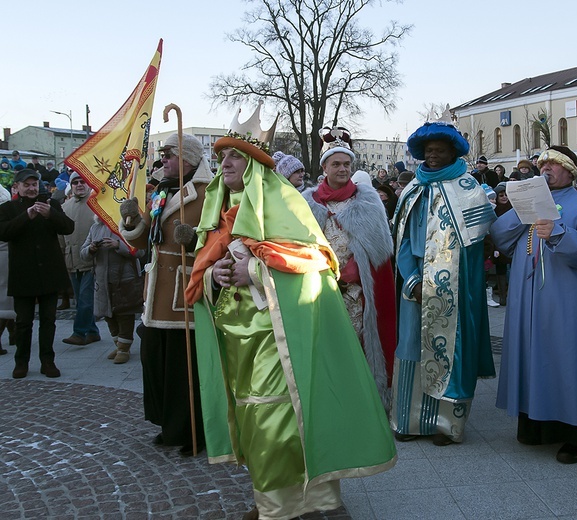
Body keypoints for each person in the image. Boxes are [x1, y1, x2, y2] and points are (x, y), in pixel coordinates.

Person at [185, 115, 397, 519]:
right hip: (237, 335)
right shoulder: (222, 207)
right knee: (252, 416)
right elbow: (205, 265)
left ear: (255, 165)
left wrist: (257, 272)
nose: (225, 163)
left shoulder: (285, 204)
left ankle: (312, 503)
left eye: (234, 156)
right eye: (222, 156)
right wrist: (215, 273)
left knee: (281, 414)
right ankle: (272, 501)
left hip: (281, 334)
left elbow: (315, 262)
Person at [492, 145, 577, 464]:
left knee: (568, 358)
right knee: (531, 357)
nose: (545, 169)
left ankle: (576, 436)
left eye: (553, 165)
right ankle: (534, 427)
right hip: (527, 296)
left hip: (567, 297)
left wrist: (557, 230)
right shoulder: (528, 201)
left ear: (570, 171)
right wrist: (522, 212)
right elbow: (500, 239)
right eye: (541, 164)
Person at [391, 121, 496, 446]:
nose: (433, 156)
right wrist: (412, 279)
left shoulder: (469, 188)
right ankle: (409, 420)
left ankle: (446, 424)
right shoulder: (412, 189)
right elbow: (403, 240)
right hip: (417, 278)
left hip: (455, 280)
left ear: (453, 152)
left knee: (451, 348)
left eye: (439, 151)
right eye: (428, 151)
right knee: (410, 347)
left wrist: (452, 284)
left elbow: (476, 249)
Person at [119, 133, 213, 456]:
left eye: (169, 154)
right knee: (154, 361)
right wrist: (130, 217)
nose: (164, 160)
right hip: (156, 290)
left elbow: (218, 239)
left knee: (182, 368)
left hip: (183, 291)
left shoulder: (207, 193)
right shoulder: (160, 192)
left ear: (187, 159)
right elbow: (142, 237)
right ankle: (166, 424)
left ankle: (191, 433)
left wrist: (195, 241)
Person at [303, 127, 397, 407]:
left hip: (357, 292)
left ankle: (362, 403)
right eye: (336, 164)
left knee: (358, 346)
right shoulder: (307, 203)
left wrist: (351, 273)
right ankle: (328, 402)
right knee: (327, 347)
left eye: (347, 164)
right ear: (324, 167)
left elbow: (381, 247)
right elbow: (299, 245)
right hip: (319, 290)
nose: (342, 169)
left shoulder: (367, 200)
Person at [0, 168, 74, 378]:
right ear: (17, 187)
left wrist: (50, 215)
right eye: (27, 185)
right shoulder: (8, 208)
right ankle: (21, 362)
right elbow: (3, 232)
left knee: (48, 321)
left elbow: (68, 227)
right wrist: (27, 216)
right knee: (23, 323)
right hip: (23, 275)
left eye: (34, 184)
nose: (32, 189)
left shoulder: (51, 204)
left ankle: (47, 361)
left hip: (49, 274)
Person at [81, 217, 144, 364]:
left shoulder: (127, 227)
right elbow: (82, 254)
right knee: (109, 315)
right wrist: (91, 249)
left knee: (125, 314)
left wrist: (118, 245)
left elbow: (140, 251)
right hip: (102, 280)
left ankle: (123, 348)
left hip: (124, 279)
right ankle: (119, 345)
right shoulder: (95, 228)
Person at [59, 172, 101, 345]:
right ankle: (92, 331)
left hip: (92, 260)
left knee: (85, 299)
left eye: (82, 181)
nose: (79, 184)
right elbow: (60, 235)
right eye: (75, 182)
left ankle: (79, 332)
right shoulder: (64, 207)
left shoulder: (96, 204)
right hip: (71, 260)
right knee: (80, 299)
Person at [0, 184, 16, 355]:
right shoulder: (3, 196)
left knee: (8, 298)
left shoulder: (3, 193)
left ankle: (14, 333)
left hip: (6, 251)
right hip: (5, 252)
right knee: (6, 298)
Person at [491, 182, 512, 305]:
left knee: (511, 270)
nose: (504, 197)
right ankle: (503, 296)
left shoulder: (512, 209)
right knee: (501, 270)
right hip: (497, 245)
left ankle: (509, 294)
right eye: (501, 195)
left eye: (506, 195)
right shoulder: (493, 210)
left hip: (510, 243)